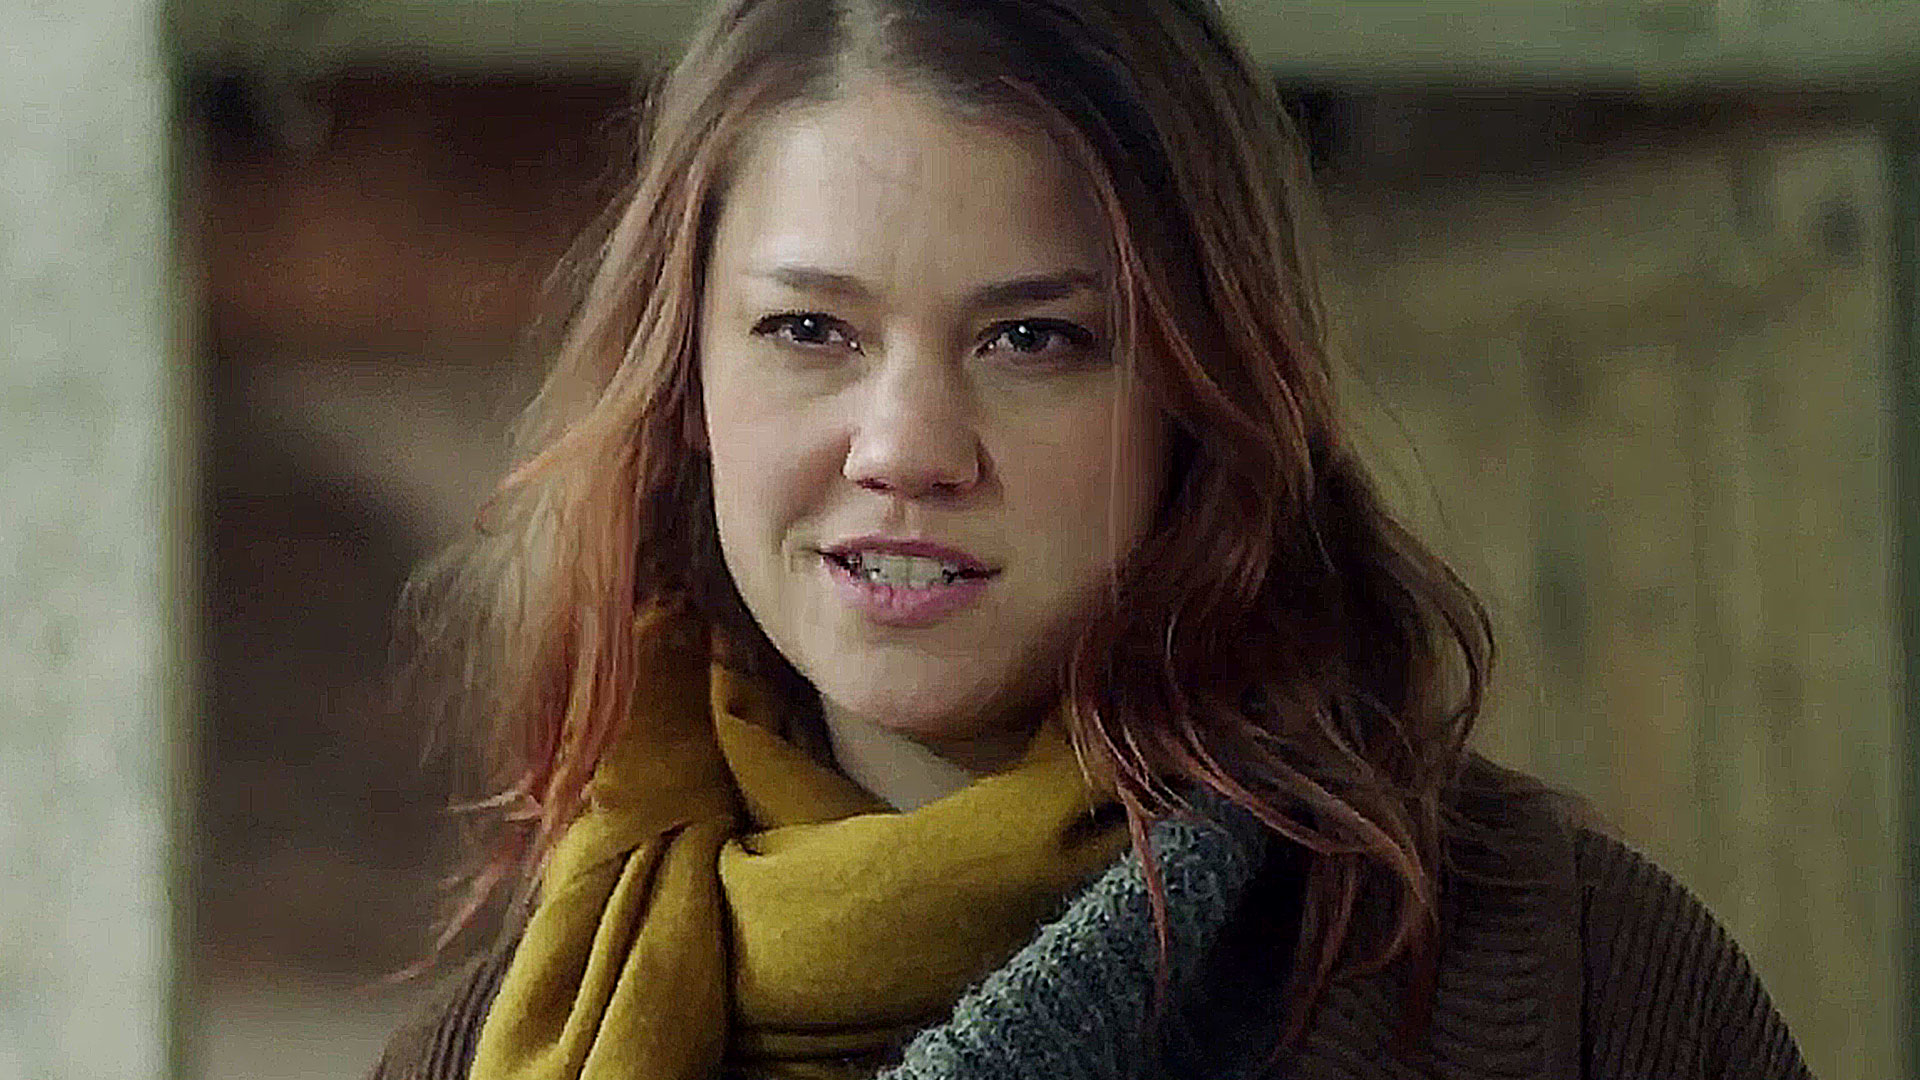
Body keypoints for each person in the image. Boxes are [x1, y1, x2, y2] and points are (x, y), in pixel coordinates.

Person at [371, 1, 1814, 1077]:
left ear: (1202, 392)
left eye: (1033, 339)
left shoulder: (1574, 989)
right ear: (688, 383)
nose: (905, 448)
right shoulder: (514, 1036)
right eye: (810, 329)